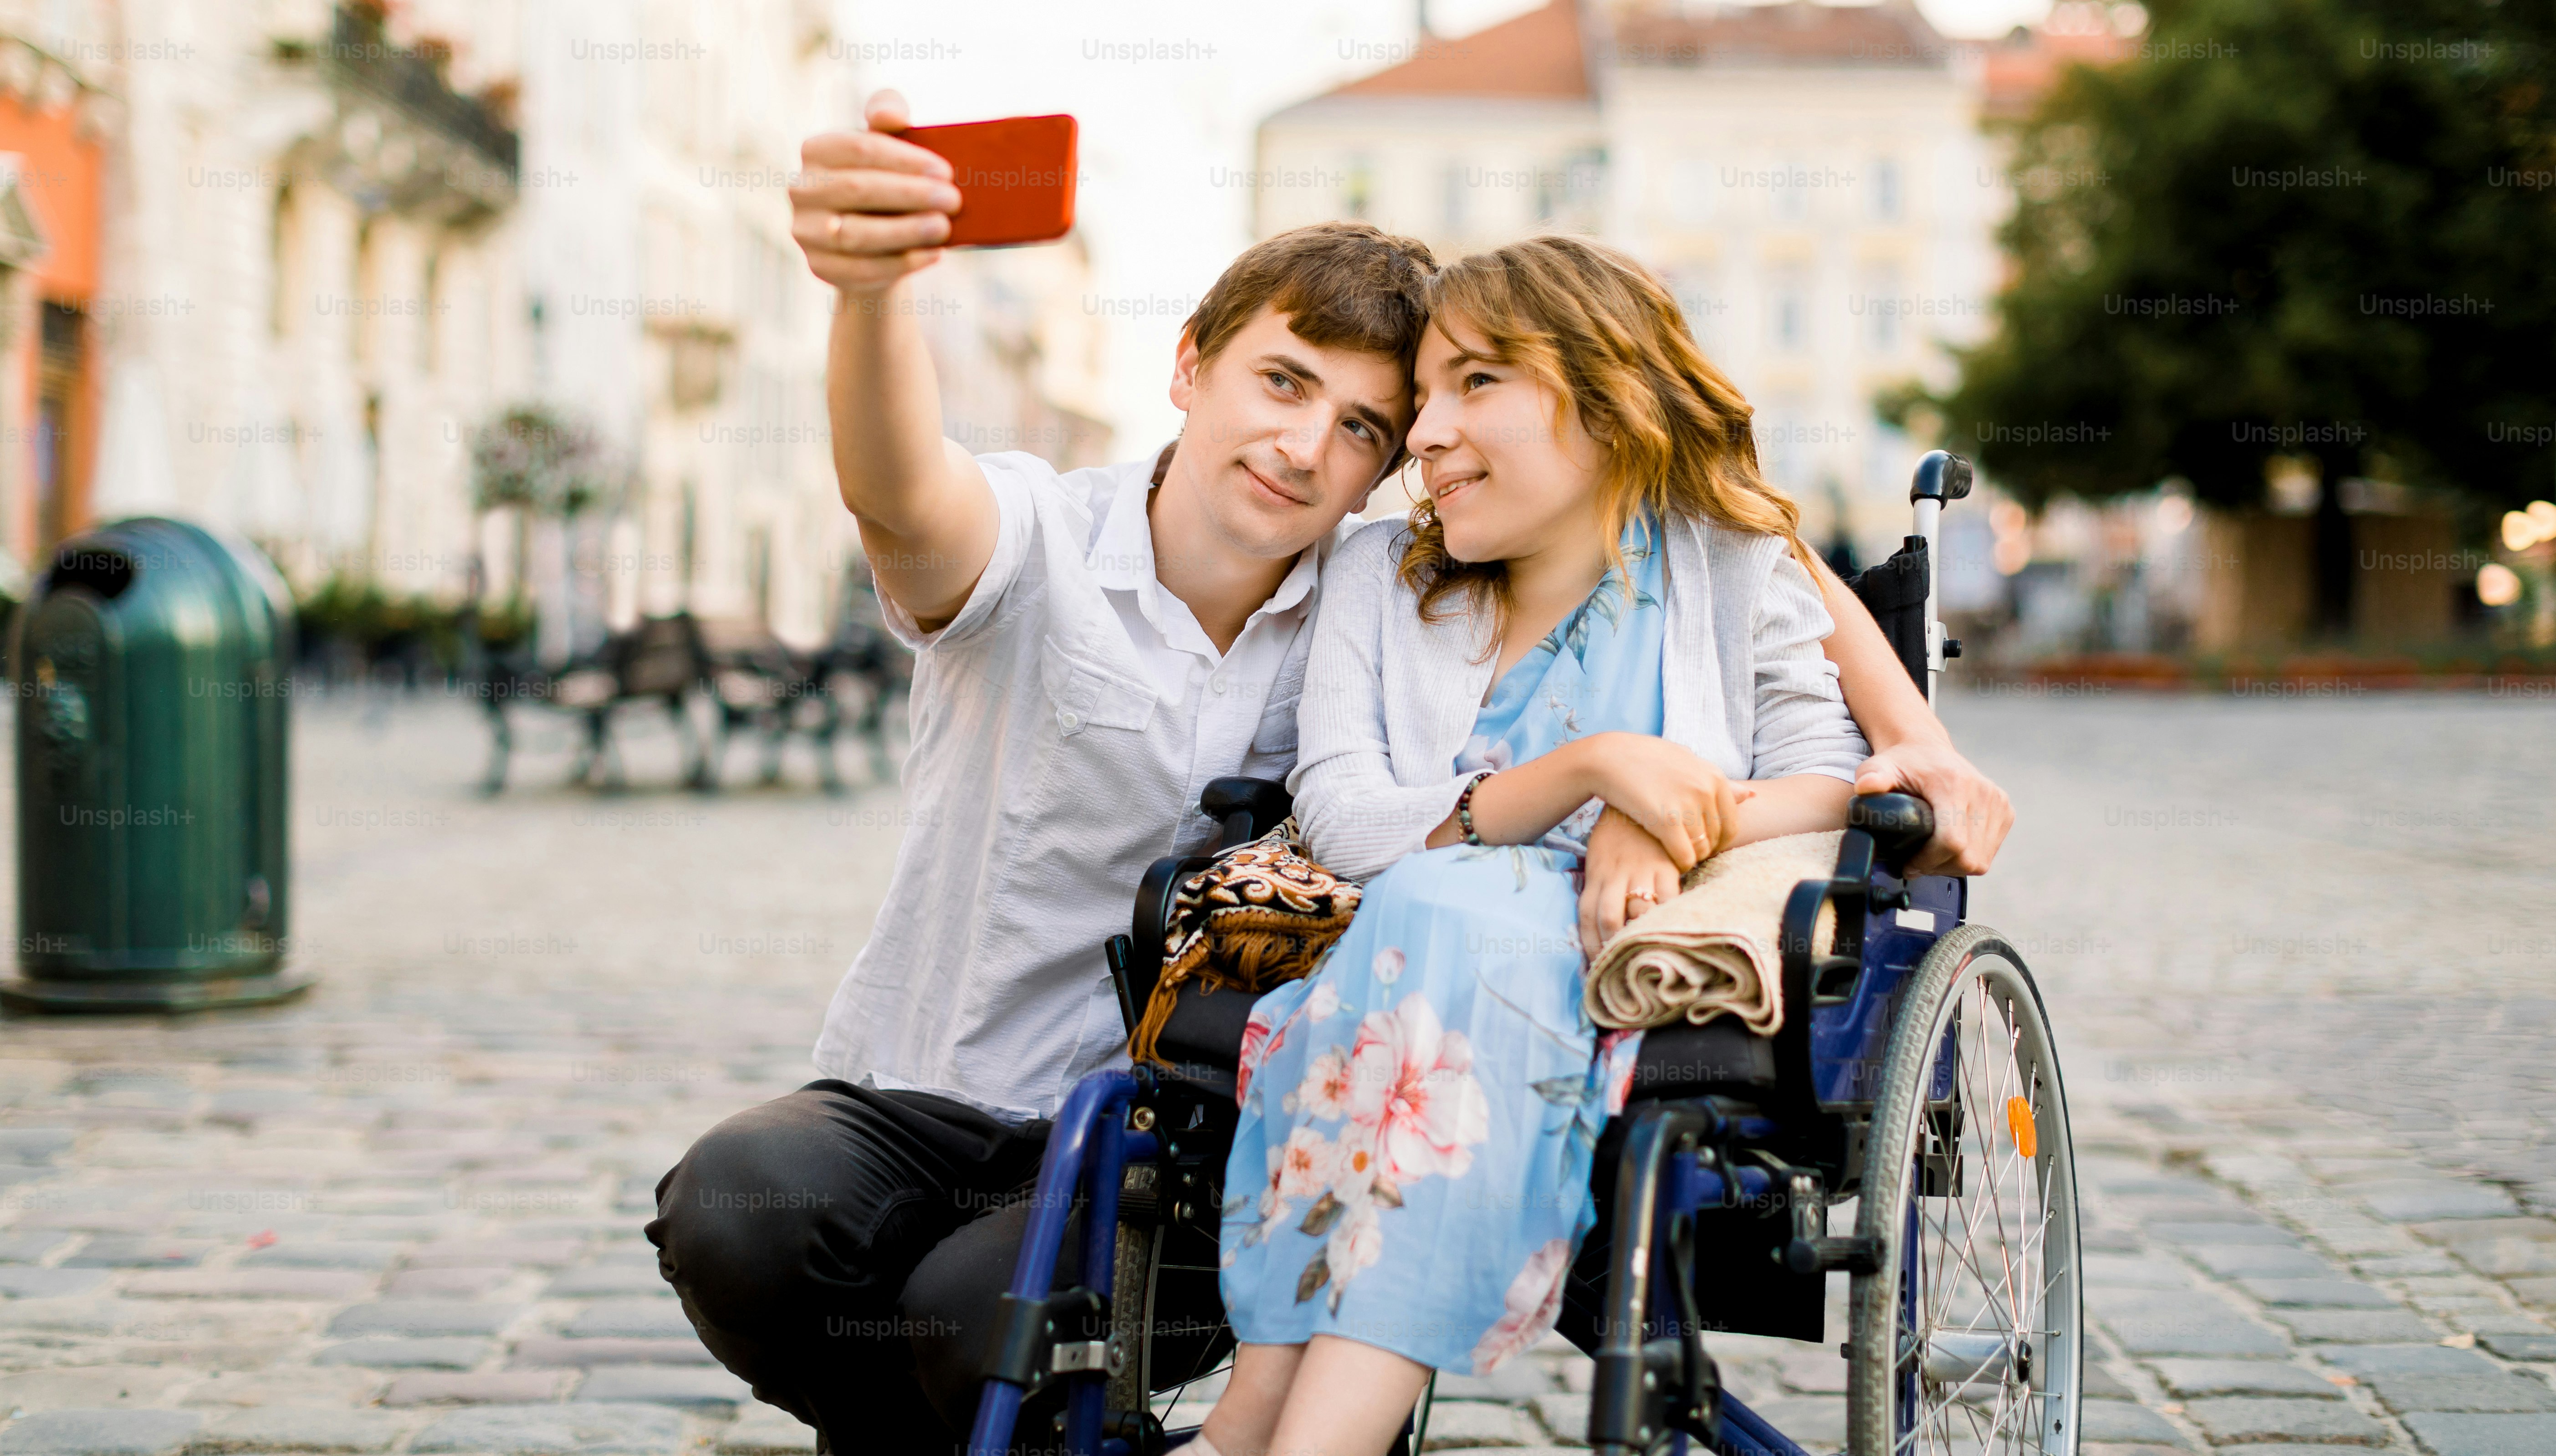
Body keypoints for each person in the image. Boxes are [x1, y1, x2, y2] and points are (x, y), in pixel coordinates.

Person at [645, 91, 2013, 1455]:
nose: (1320, 446)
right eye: (1286, 384)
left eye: (1371, 421)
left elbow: (1719, 546)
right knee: (739, 1212)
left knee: (968, 1326)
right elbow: (900, 498)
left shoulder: (1426, 573)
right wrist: (872, 297)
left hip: (1197, 1116)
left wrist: (1913, 746)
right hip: (941, 1079)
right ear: (1187, 366)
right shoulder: (1096, 550)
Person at [1198, 236, 1871, 1456]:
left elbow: (1829, 784)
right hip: (1395, 968)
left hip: (1625, 972)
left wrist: (1657, 813)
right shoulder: (1375, 580)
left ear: (1607, 400)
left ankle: (1276, 1434)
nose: (1421, 436)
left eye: (1474, 385)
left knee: (1463, 914)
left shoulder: (1729, 567)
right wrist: (1588, 768)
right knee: (1450, 911)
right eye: (1421, 401)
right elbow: (1348, 825)